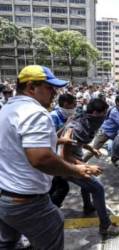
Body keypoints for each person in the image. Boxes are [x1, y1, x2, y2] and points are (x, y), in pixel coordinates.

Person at [0, 65, 101, 249]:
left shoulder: (7, 110)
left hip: (5, 195)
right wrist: (75, 170)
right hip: (27, 201)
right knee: (53, 229)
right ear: (31, 87)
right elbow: (41, 158)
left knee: (8, 244)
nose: (54, 93)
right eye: (49, 87)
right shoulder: (35, 113)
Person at [59, 98, 119, 236]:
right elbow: (64, 156)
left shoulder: (85, 122)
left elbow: (79, 142)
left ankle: (88, 206)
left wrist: (91, 148)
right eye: (104, 114)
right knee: (97, 188)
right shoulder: (75, 127)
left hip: (74, 159)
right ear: (95, 113)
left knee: (87, 184)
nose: (104, 118)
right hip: (65, 165)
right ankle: (105, 226)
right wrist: (86, 166)